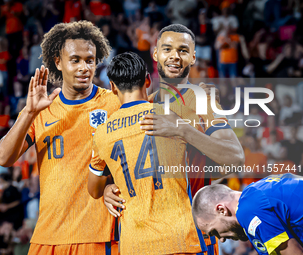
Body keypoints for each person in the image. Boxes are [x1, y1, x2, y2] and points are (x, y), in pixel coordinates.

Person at [103, 24, 244, 255]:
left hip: (190, 239)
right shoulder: (143, 105)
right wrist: (109, 187)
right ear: (156, 53)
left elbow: (235, 158)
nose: (175, 56)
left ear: (193, 57)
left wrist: (183, 130)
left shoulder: (203, 101)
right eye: (167, 49)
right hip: (144, 241)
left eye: (183, 50)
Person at [0, 20, 121, 254]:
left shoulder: (113, 103)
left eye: (90, 60)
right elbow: (4, 158)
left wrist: (111, 185)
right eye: (75, 60)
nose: (84, 67)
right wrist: (29, 112)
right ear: (58, 62)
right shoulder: (41, 109)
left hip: (98, 236)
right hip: (47, 237)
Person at [89, 52, 207, 255]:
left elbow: (94, 190)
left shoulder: (101, 134)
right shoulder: (173, 115)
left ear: (112, 87)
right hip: (180, 238)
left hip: (134, 243)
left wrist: (109, 188)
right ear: (147, 79)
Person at [192, 174, 303, 255]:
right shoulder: (254, 194)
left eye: (215, 232)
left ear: (221, 210)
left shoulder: (248, 211)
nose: (221, 239)